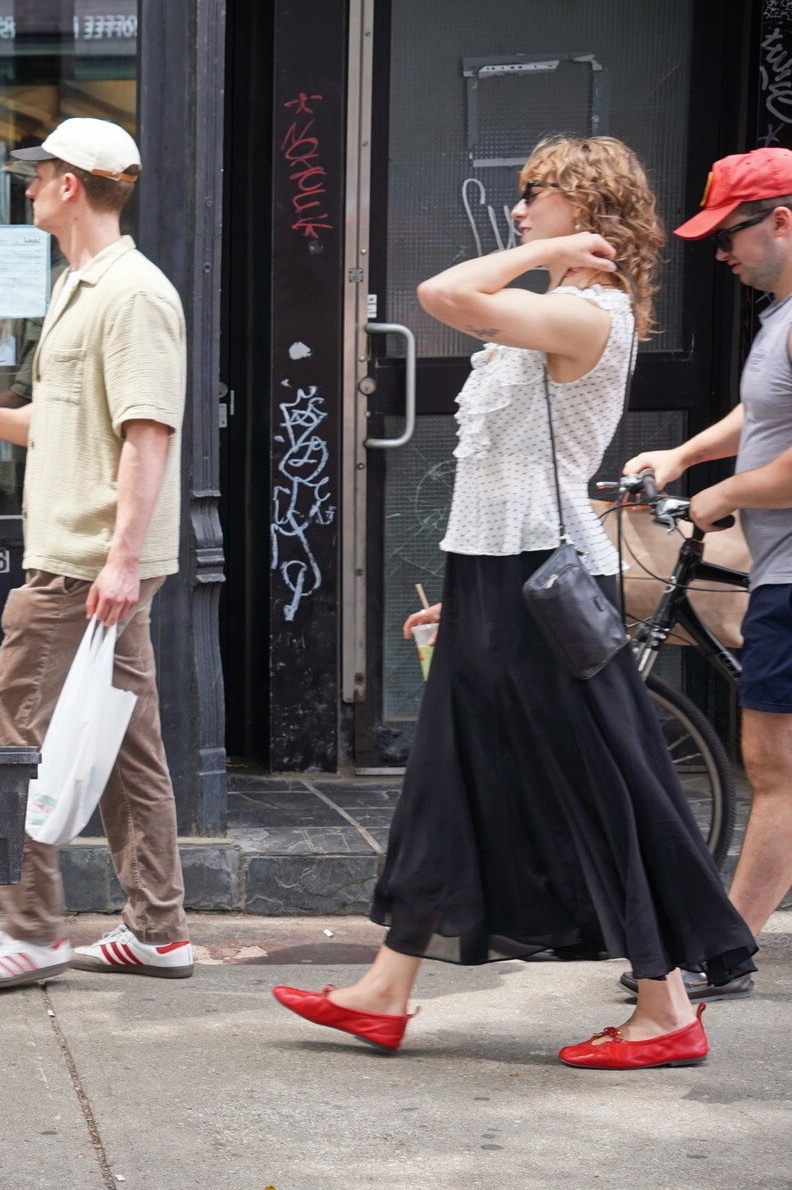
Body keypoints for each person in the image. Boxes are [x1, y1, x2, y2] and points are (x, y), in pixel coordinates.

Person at [272, 135, 757, 1069]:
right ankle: (383, 989)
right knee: (446, 777)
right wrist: (470, 604)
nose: (519, 209)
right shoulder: (550, 312)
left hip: (540, 572)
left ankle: (664, 1009)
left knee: (600, 781)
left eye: (537, 195)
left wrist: (550, 255)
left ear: (584, 208)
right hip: (496, 572)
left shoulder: (586, 313)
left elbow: (440, 294)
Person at [0, 117, 194, 988]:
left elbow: (148, 435)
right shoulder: (77, 285)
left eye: (38, 174)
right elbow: (65, 423)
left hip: (83, 564)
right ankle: (158, 930)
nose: (30, 186)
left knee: (5, 737)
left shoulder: (133, 295)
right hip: (90, 557)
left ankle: (34, 930)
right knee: (126, 749)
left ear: (71, 185)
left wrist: (119, 561)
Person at [623, 146, 792, 1000]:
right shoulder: (779, 317)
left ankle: (724, 950)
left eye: (729, 234)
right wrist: (684, 454)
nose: (719, 252)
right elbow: (762, 416)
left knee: (774, 767)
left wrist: (716, 496)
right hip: (778, 567)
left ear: (781, 221)